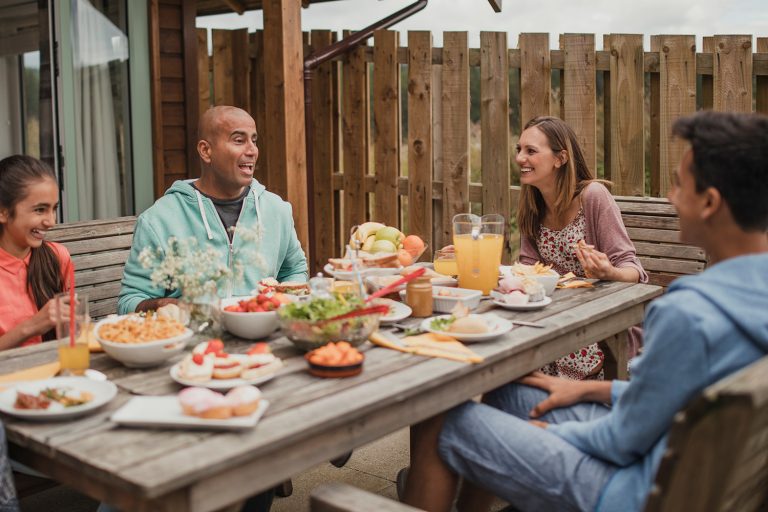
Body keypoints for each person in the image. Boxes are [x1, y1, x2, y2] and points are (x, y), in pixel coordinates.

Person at [403, 110, 768, 512]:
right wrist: (593, 389)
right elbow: (677, 401)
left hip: (627, 487)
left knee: (441, 420)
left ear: (710, 203)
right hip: (676, 468)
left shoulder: (689, 312)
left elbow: (622, 439)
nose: (670, 198)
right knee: (508, 391)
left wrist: (545, 434)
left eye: (679, 186)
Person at [118, 106, 308, 314]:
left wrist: (281, 300)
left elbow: (295, 271)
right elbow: (130, 301)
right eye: (239, 140)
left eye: (254, 140)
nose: (252, 150)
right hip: (195, 340)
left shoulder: (277, 210)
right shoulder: (158, 220)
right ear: (206, 151)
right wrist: (165, 306)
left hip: (264, 338)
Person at [516, 116, 647, 379]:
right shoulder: (533, 203)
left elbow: (635, 272)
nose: (520, 158)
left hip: (602, 331)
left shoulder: (592, 196)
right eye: (518, 150)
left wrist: (609, 272)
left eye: (531, 151)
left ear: (560, 158)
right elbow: (528, 269)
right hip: (554, 323)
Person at [0, 155, 72, 351]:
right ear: (3, 212)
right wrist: (31, 326)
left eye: (53, 209)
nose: (51, 221)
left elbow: (72, 333)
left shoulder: (58, 257)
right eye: (40, 210)